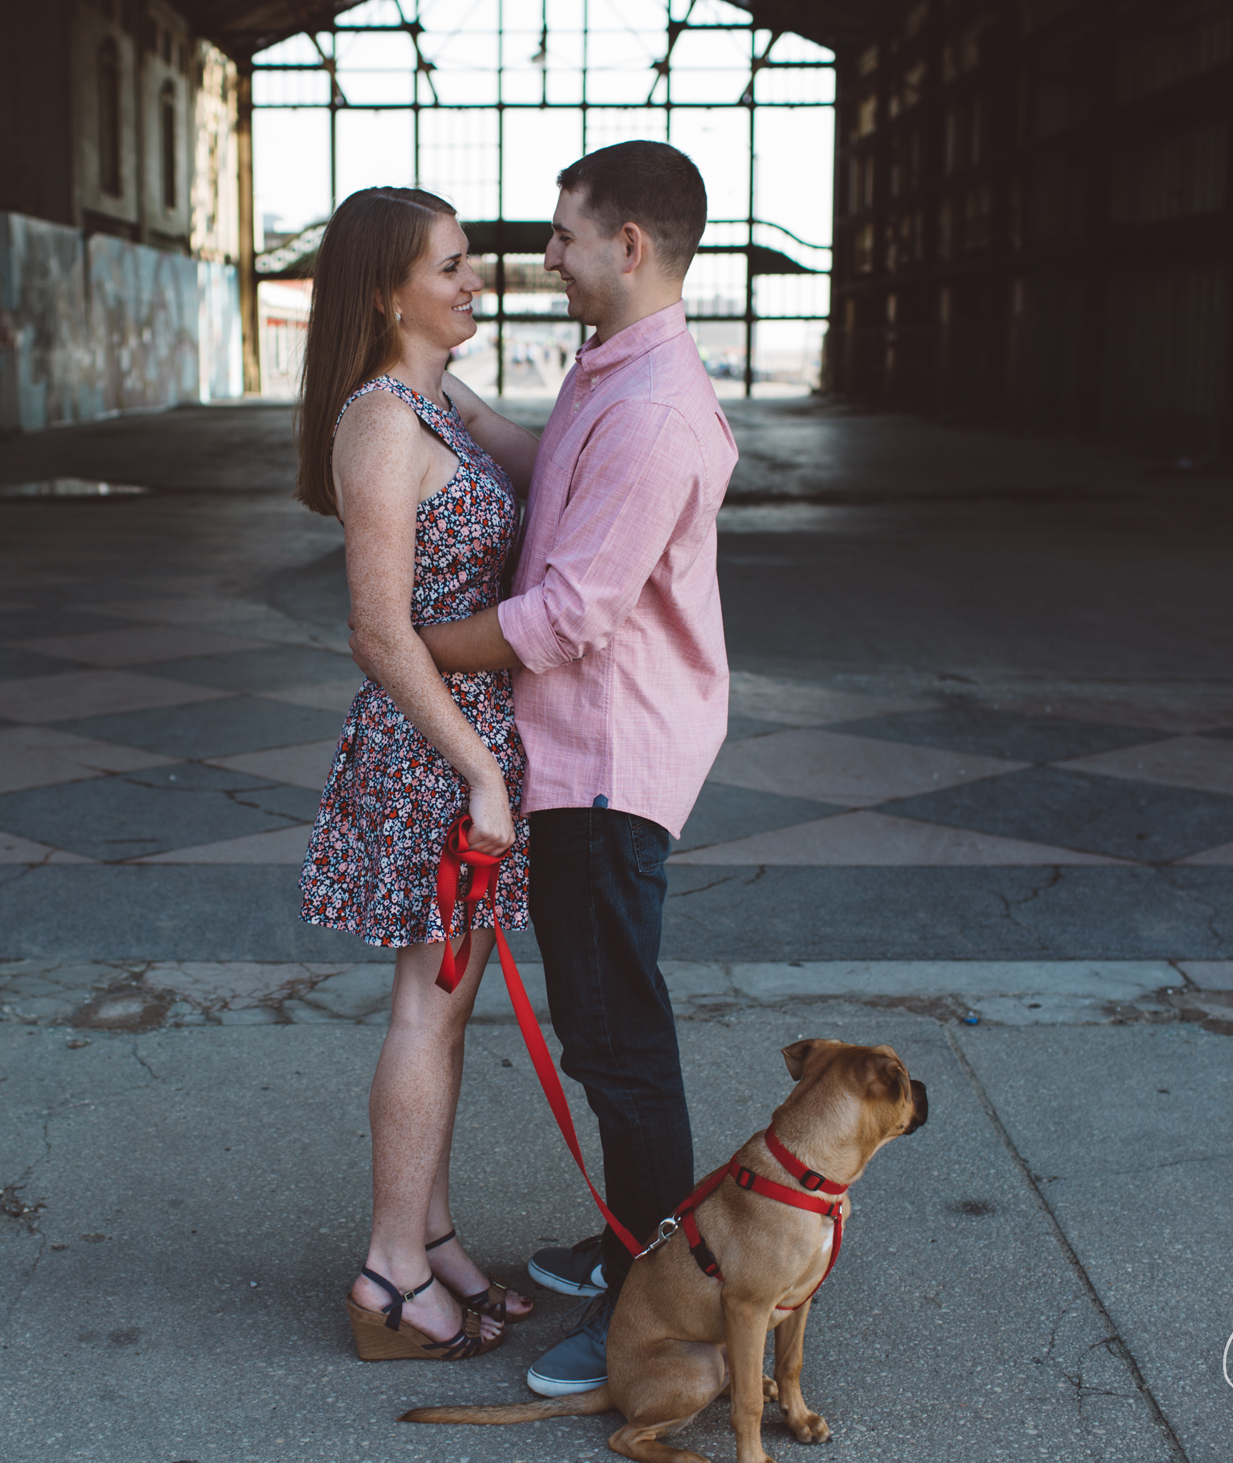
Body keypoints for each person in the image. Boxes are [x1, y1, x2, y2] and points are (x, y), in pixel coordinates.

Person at [394, 140, 736, 1397]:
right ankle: (626, 1237)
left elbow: (570, 611)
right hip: (581, 755)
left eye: (562, 234)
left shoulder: (653, 408)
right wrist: (460, 407)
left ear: (628, 247)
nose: (541, 257)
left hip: (603, 770)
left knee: (616, 1040)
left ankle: (661, 1296)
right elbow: (560, 488)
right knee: (612, 1031)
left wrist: (412, 647)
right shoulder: (615, 370)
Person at [294, 185, 544, 1362]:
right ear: (388, 289)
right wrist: (480, 776)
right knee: (422, 1005)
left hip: (467, 739)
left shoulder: (437, 402)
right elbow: (378, 630)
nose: (472, 280)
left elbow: (542, 460)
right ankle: (390, 1273)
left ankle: (432, 1232)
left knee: (449, 1010)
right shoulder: (382, 422)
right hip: (432, 751)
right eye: (449, 267)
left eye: (469, 262)